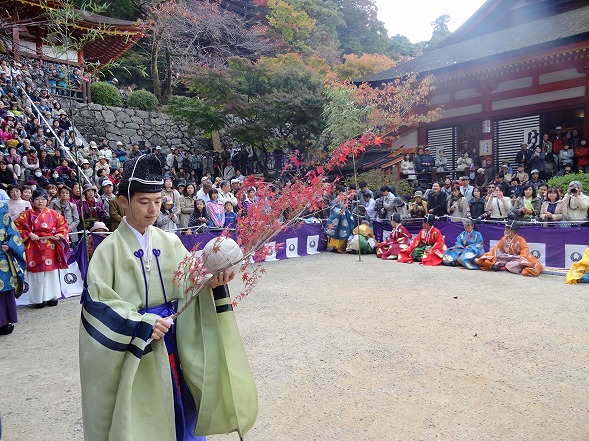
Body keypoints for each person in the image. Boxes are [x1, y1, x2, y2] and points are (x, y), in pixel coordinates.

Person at [79, 154, 257, 441]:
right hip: (136, 347)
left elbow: (189, 281)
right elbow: (98, 305)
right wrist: (139, 323)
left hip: (172, 345)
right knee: (145, 416)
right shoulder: (107, 251)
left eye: (158, 201)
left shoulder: (169, 241)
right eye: (144, 201)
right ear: (124, 202)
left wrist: (212, 282)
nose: (153, 209)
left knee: (182, 411)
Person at [14, 188, 69, 308]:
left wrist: (59, 235)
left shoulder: (53, 214)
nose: (40, 202)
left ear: (47, 201)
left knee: (51, 273)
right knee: (37, 274)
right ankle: (37, 299)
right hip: (34, 245)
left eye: (43, 199)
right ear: (32, 201)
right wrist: (28, 234)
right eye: (37, 199)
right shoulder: (26, 214)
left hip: (50, 245)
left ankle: (52, 296)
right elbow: (16, 226)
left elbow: (63, 225)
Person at [475, 220, 543, 276]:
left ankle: (503, 268)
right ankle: (499, 266)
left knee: (510, 264)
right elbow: (496, 250)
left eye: (507, 229)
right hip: (505, 257)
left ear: (512, 231)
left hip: (517, 259)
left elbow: (524, 253)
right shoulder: (503, 239)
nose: (505, 231)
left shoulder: (521, 240)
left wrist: (522, 260)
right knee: (495, 259)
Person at [0, 201, 26, 336]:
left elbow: (11, 229)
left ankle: (5, 321)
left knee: (5, 287)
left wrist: (9, 245)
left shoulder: (1, 207)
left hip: (1, 253)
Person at [325, 187, 354, 254]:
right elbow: (334, 209)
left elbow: (346, 209)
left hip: (343, 218)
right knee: (338, 230)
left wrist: (345, 209)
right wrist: (343, 208)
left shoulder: (345, 199)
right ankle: (336, 246)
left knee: (344, 230)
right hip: (338, 218)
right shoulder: (337, 200)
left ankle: (341, 247)